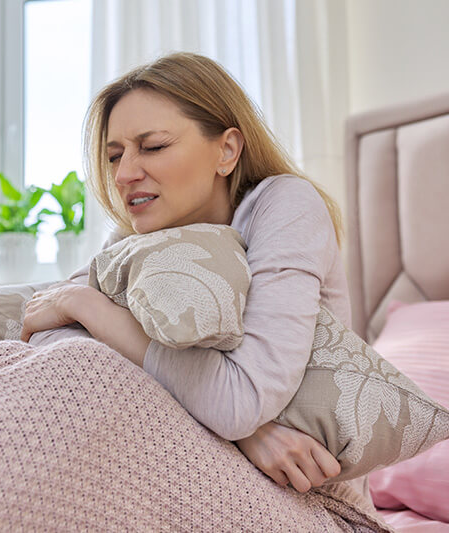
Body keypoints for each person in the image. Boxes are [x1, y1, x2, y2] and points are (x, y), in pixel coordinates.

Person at [20, 51, 373, 508]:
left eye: (153, 146)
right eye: (114, 155)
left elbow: (239, 402)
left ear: (226, 150)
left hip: (304, 490)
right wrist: (252, 433)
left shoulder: (284, 206)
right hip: (182, 457)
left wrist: (86, 305)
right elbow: (47, 345)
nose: (125, 174)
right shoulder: (133, 237)